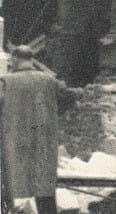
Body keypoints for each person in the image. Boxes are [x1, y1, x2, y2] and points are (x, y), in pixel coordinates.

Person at [1, 46, 68, 214]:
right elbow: (68, 97)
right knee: (43, 188)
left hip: (15, 145)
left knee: (11, 187)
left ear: (15, 59)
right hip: (43, 144)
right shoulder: (50, 81)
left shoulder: (6, 82)